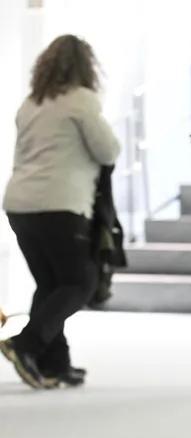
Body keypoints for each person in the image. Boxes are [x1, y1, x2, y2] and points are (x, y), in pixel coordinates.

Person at [0, 35, 119, 390]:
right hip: (61, 205)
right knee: (81, 282)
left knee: (51, 284)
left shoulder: (30, 104)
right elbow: (108, 150)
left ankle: (55, 364)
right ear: (86, 67)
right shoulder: (81, 101)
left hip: (20, 205)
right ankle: (25, 345)